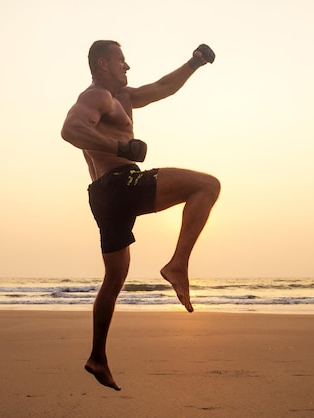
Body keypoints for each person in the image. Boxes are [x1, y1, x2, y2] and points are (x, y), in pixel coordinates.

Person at [61, 40, 220, 391]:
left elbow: (163, 87)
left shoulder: (125, 97)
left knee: (114, 280)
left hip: (103, 198)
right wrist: (122, 148)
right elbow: (71, 130)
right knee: (207, 186)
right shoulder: (97, 96)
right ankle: (177, 264)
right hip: (120, 182)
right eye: (121, 61)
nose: (127, 66)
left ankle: (97, 357)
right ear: (103, 64)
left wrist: (193, 63)